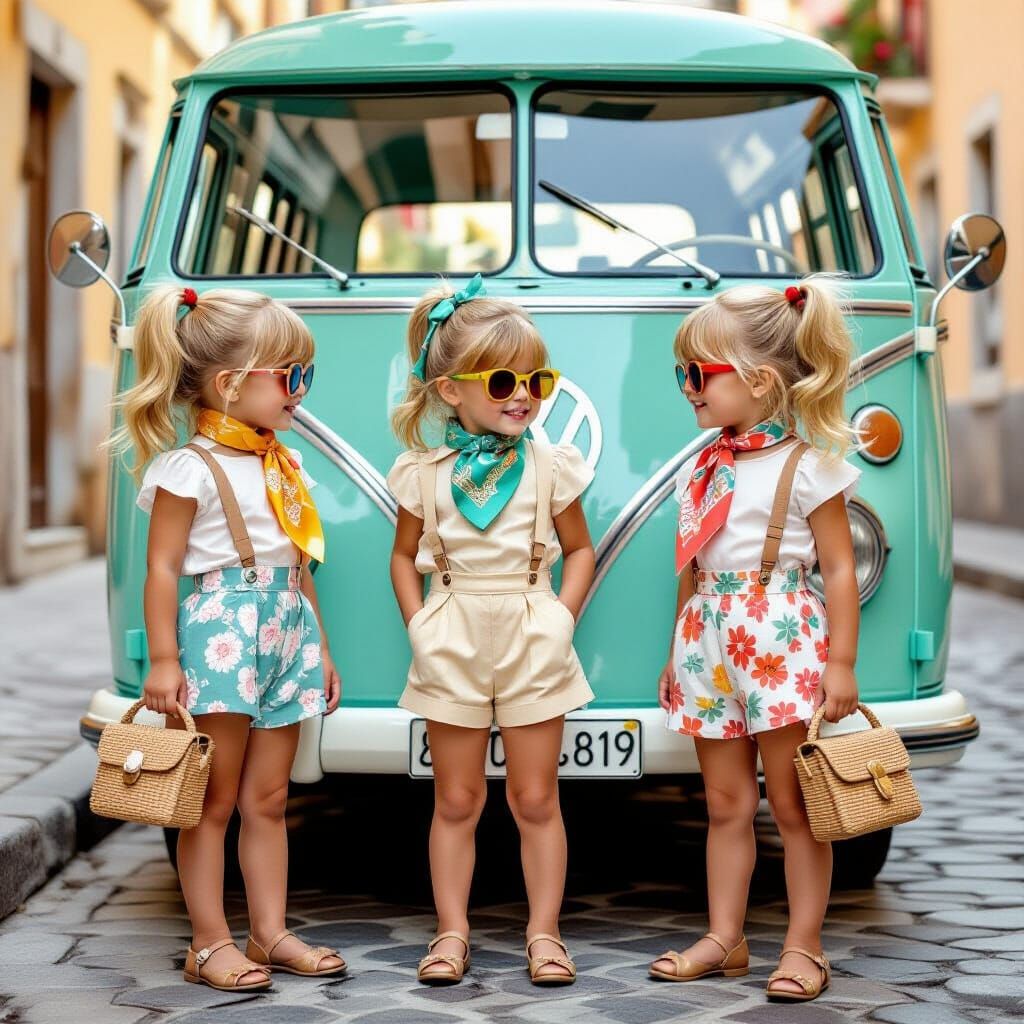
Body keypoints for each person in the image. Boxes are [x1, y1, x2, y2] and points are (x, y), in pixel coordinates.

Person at [110, 285, 344, 992]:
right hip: (223, 636)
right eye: (291, 375)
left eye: (307, 374)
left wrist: (320, 649)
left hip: (286, 632)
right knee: (210, 802)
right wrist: (163, 659)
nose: (302, 390)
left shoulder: (281, 462)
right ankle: (208, 942)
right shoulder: (190, 468)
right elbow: (161, 568)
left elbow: (299, 561)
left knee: (268, 800)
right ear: (230, 383)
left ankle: (268, 931)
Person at [649, 278, 862, 1002]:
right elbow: (691, 561)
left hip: (780, 641)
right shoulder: (703, 465)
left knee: (797, 807)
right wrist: (676, 652)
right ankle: (725, 937)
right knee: (725, 804)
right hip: (707, 642)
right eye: (683, 374)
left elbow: (839, 568)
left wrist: (841, 663)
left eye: (697, 374)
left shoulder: (808, 465)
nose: (687, 388)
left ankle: (805, 945)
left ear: (760, 380)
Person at [388, 275, 595, 986]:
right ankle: (451, 931)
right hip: (452, 632)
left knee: (536, 798)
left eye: (537, 380)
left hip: (533, 630)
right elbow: (402, 556)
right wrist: (420, 623)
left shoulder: (550, 466)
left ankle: (545, 932)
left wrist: (561, 616)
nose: (523, 395)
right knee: (456, 799)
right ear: (451, 390)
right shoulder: (424, 473)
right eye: (503, 381)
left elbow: (580, 549)